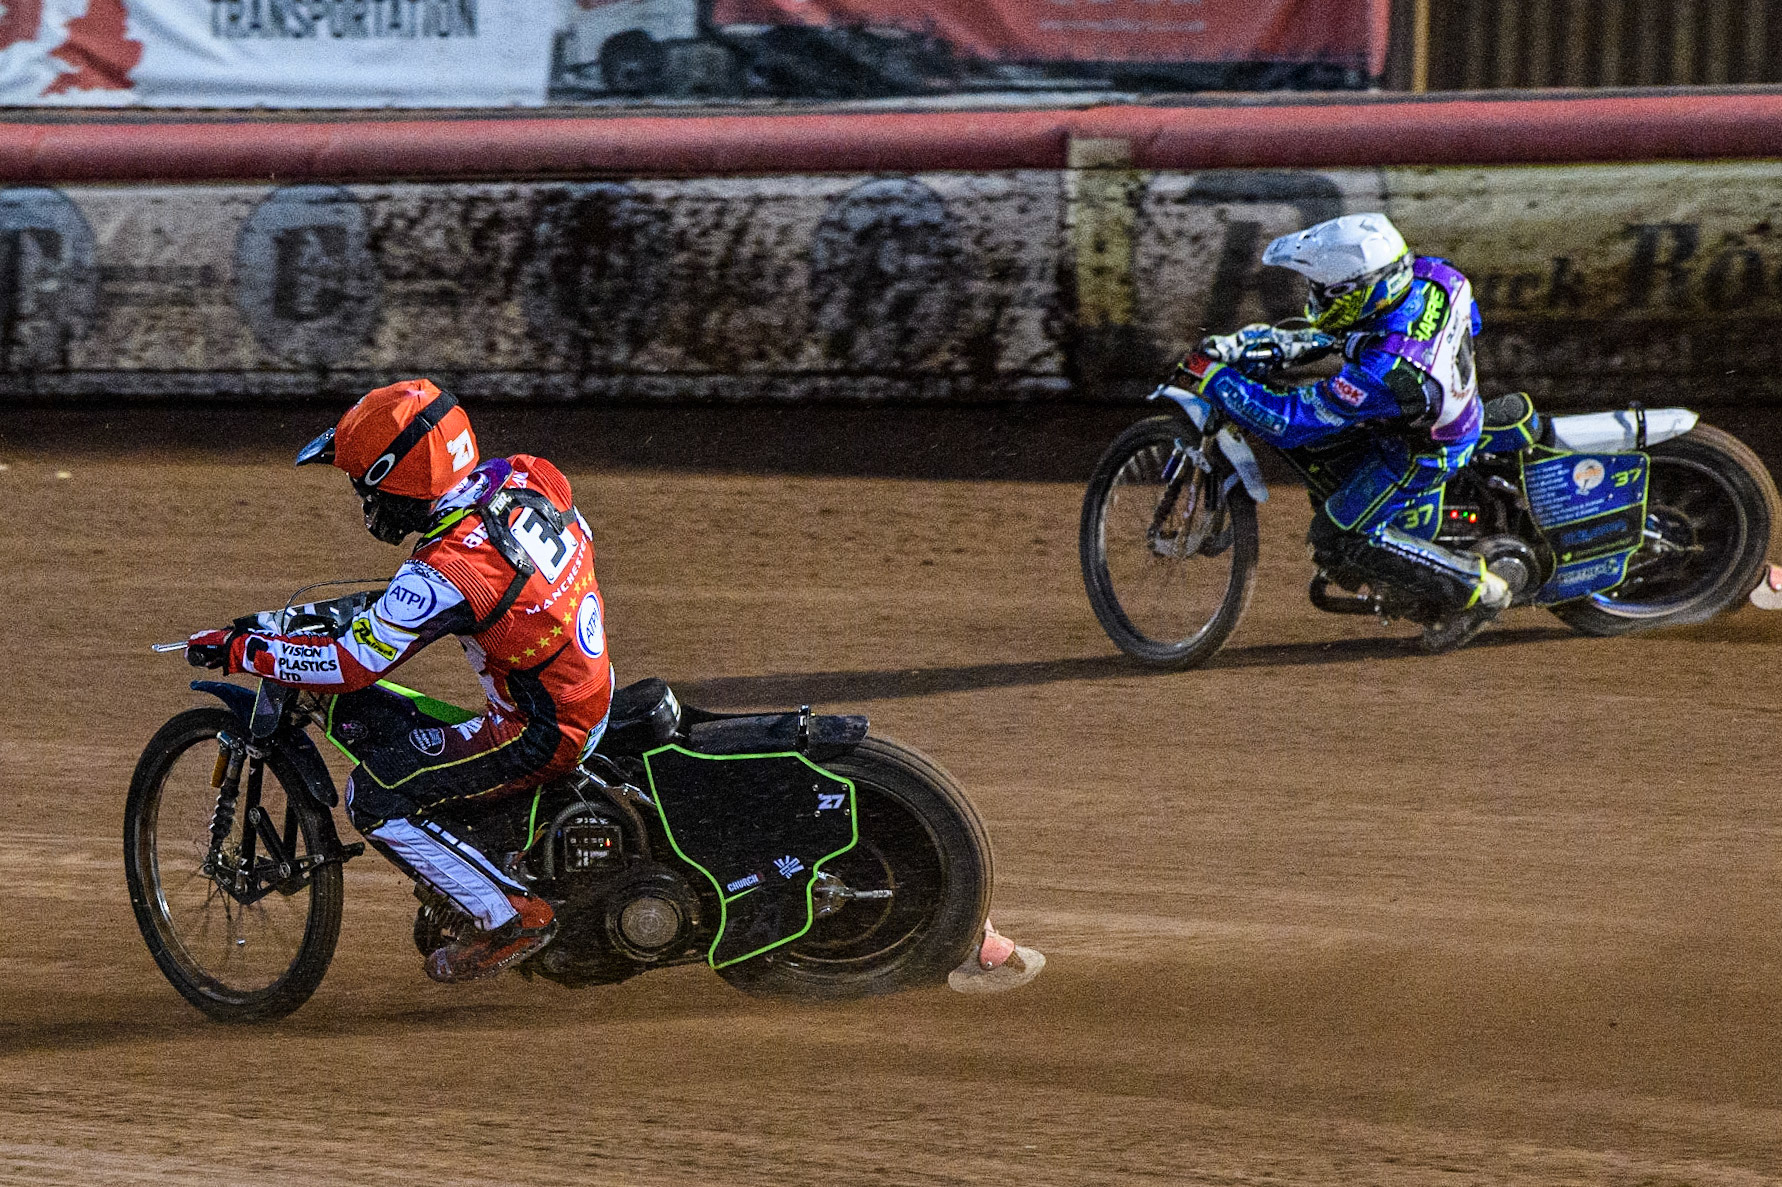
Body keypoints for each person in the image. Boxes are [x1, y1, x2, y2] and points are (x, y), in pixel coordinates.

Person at [185, 379, 614, 983]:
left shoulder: (447, 568)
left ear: (396, 476)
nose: (365, 502)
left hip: (540, 730)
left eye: (365, 485)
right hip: (586, 686)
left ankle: (509, 915)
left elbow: (349, 664)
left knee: (376, 793)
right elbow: (444, 598)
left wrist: (243, 651)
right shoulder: (526, 476)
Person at [1183, 212, 1511, 641]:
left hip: (1423, 450)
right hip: (1427, 405)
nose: (1315, 299)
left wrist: (1217, 380)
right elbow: (1471, 321)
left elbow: (1290, 422)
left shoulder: (1385, 372)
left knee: (1338, 535)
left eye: (1324, 292)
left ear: (1364, 291)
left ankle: (1476, 590)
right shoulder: (1438, 276)